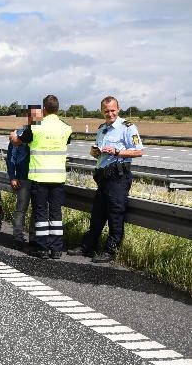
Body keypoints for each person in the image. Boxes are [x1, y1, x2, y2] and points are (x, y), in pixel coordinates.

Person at [68, 96, 143, 263]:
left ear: (118, 109)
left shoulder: (127, 127)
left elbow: (138, 151)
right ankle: (88, 247)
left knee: (115, 214)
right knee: (98, 213)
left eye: (112, 110)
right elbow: (98, 154)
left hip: (118, 177)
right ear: (102, 111)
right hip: (103, 177)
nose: (110, 113)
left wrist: (117, 151)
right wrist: (95, 152)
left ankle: (110, 250)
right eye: (106, 111)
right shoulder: (102, 128)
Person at [11, 95, 72, 259]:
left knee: (41, 214)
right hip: (58, 178)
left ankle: (43, 248)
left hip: (40, 177)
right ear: (57, 108)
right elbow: (67, 142)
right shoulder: (66, 127)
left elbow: (18, 141)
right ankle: (56, 248)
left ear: (44, 109)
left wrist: (12, 136)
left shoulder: (36, 127)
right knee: (56, 214)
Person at [6, 105, 40, 251]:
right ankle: (18, 237)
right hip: (23, 177)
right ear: (29, 117)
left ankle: (33, 238)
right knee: (21, 208)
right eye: (33, 116)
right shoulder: (20, 133)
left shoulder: (42, 134)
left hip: (39, 177)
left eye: (39, 116)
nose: (36, 119)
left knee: (37, 210)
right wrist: (12, 176)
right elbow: (11, 157)